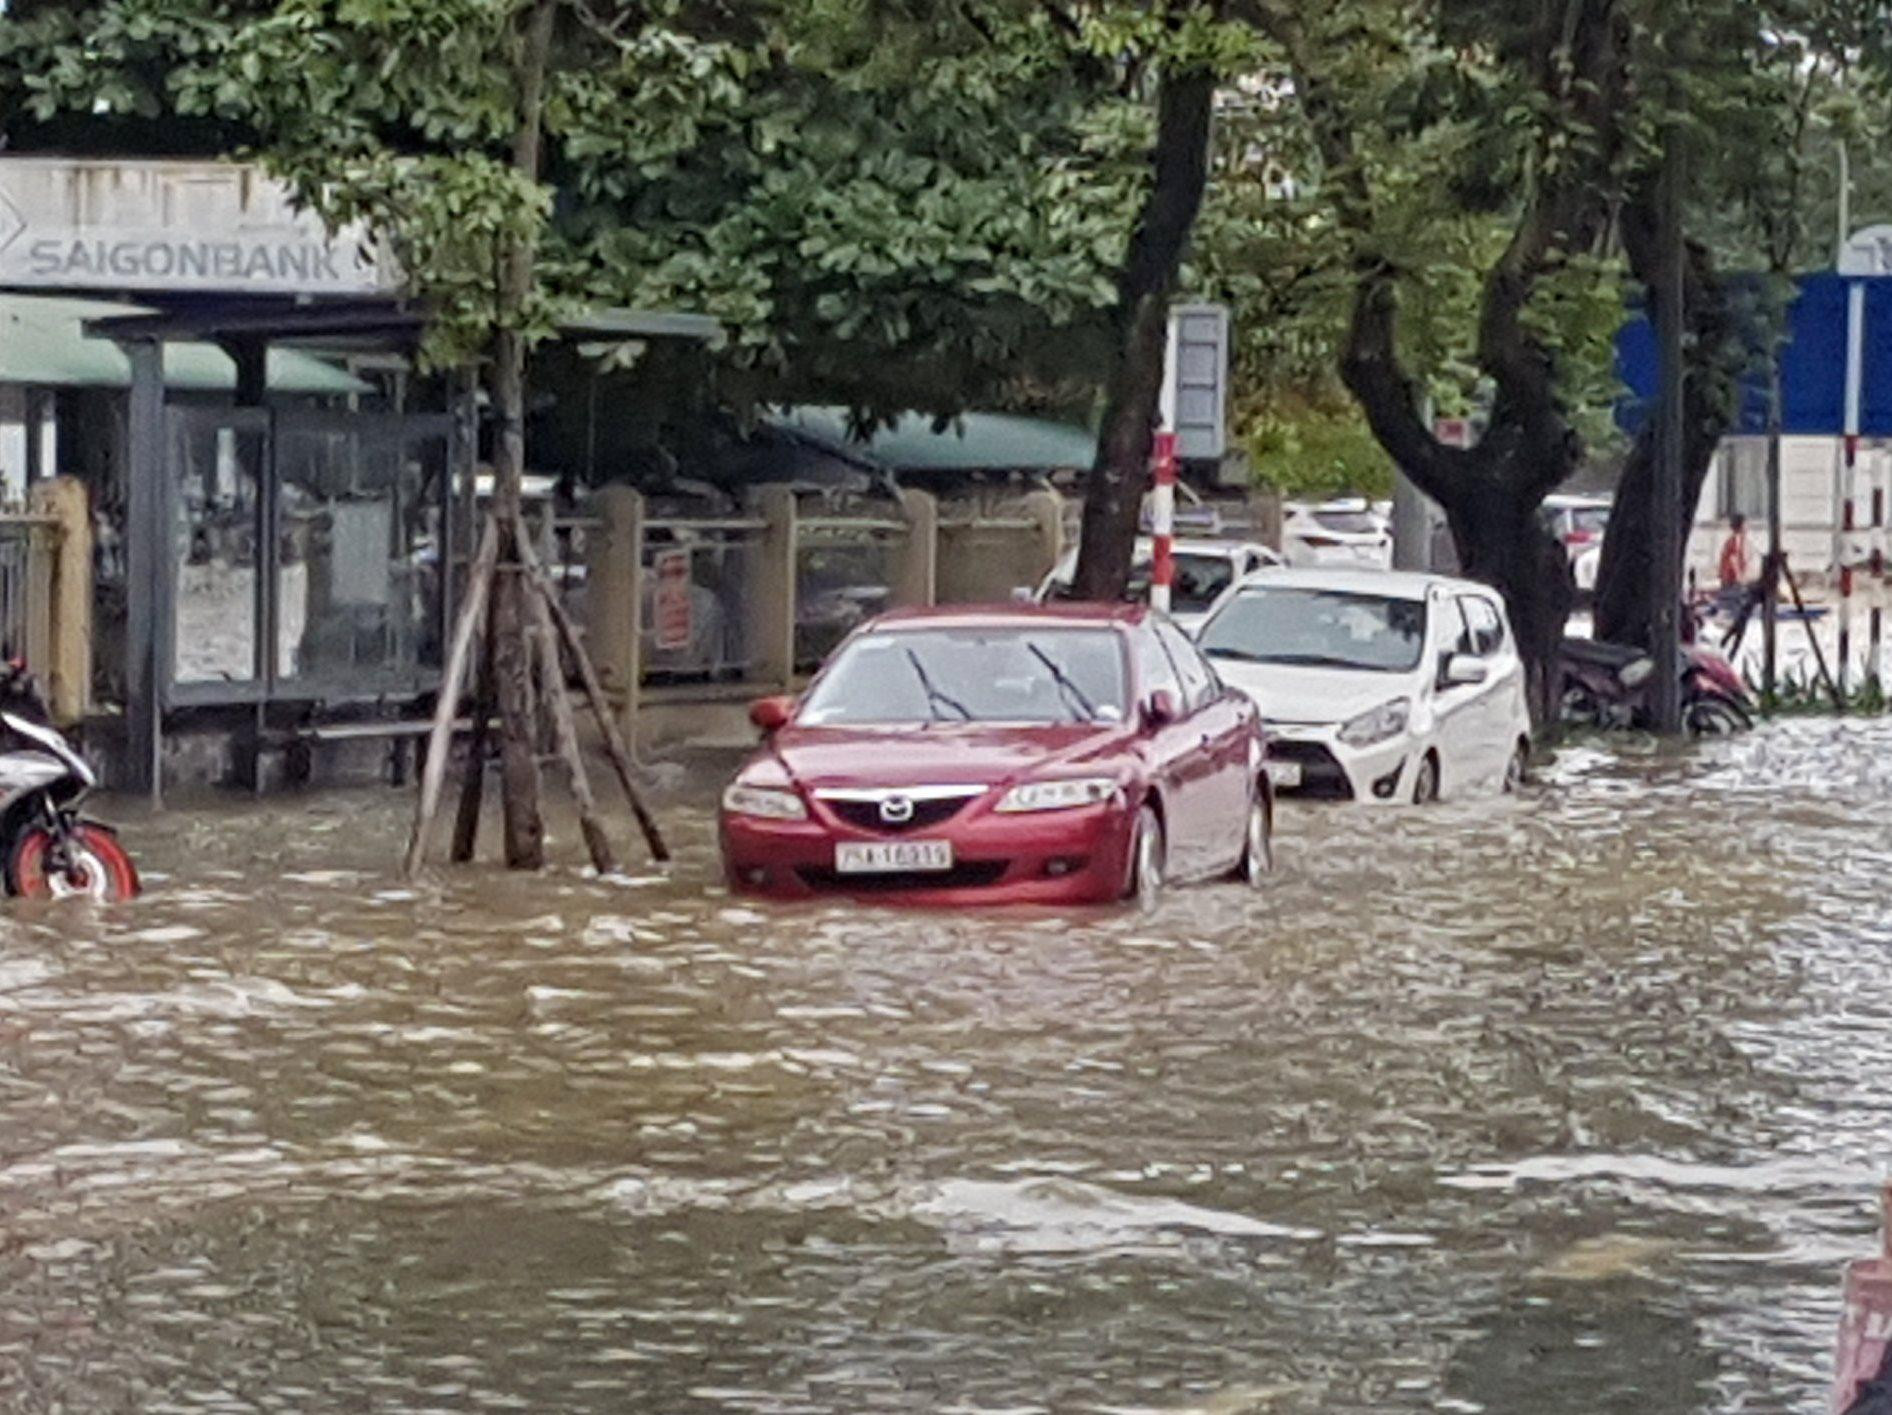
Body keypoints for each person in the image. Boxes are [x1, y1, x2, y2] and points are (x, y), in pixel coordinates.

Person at [1717, 513, 1755, 592]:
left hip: (1732, 581)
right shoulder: (1735, 540)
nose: (1747, 527)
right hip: (1731, 581)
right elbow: (1733, 560)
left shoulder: (1739, 540)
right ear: (1741, 526)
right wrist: (1740, 579)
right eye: (1746, 524)